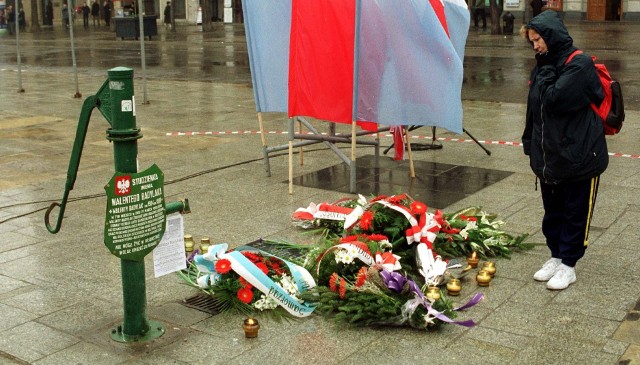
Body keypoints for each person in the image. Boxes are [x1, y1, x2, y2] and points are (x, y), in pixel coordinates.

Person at [521, 11, 608, 290]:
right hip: (550, 155)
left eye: (538, 40)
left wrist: (545, 70)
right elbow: (534, 107)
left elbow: (556, 100)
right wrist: (529, 140)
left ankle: (569, 265)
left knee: (575, 212)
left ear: (552, 36)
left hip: (580, 156)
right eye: (532, 41)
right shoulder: (544, 64)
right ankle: (556, 256)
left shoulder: (579, 64)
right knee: (553, 211)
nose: (535, 46)